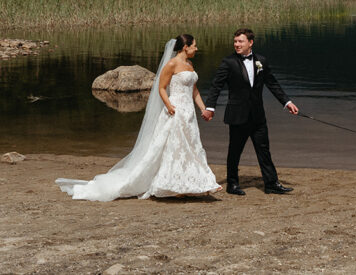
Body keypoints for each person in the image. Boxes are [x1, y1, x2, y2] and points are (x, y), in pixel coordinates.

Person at [56, 34, 221, 201]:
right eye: (194, 45)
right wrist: (169, 105)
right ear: (185, 47)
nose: (196, 48)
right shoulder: (172, 64)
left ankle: (190, 183)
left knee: (190, 146)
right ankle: (171, 185)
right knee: (174, 147)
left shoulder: (190, 64)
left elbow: (194, 90)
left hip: (189, 113)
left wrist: (203, 109)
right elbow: (162, 87)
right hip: (175, 110)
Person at [203, 28, 299, 195]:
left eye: (240, 41)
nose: (237, 44)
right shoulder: (228, 62)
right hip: (237, 115)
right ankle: (232, 184)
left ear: (250, 43)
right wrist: (210, 107)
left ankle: (271, 184)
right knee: (234, 151)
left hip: (257, 116)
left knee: (264, 149)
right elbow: (216, 86)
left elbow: (272, 83)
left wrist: (287, 102)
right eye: (235, 41)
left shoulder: (261, 60)